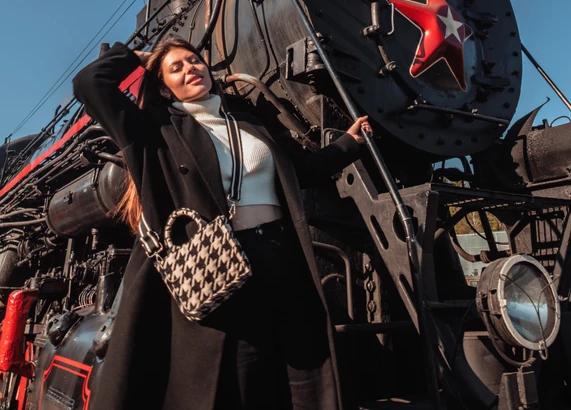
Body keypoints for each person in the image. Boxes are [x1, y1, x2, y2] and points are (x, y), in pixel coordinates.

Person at [72, 36, 371, 410]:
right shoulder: (152, 129)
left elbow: (300, 172)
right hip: (217, 262)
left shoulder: (248, 122)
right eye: (176, 68)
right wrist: (137, 56)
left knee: (294, 372)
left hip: (279, 257)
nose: (190, 68)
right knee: (236, 374)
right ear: (163, 88)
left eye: (194, 60)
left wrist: (349, 143)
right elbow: (89, 84)